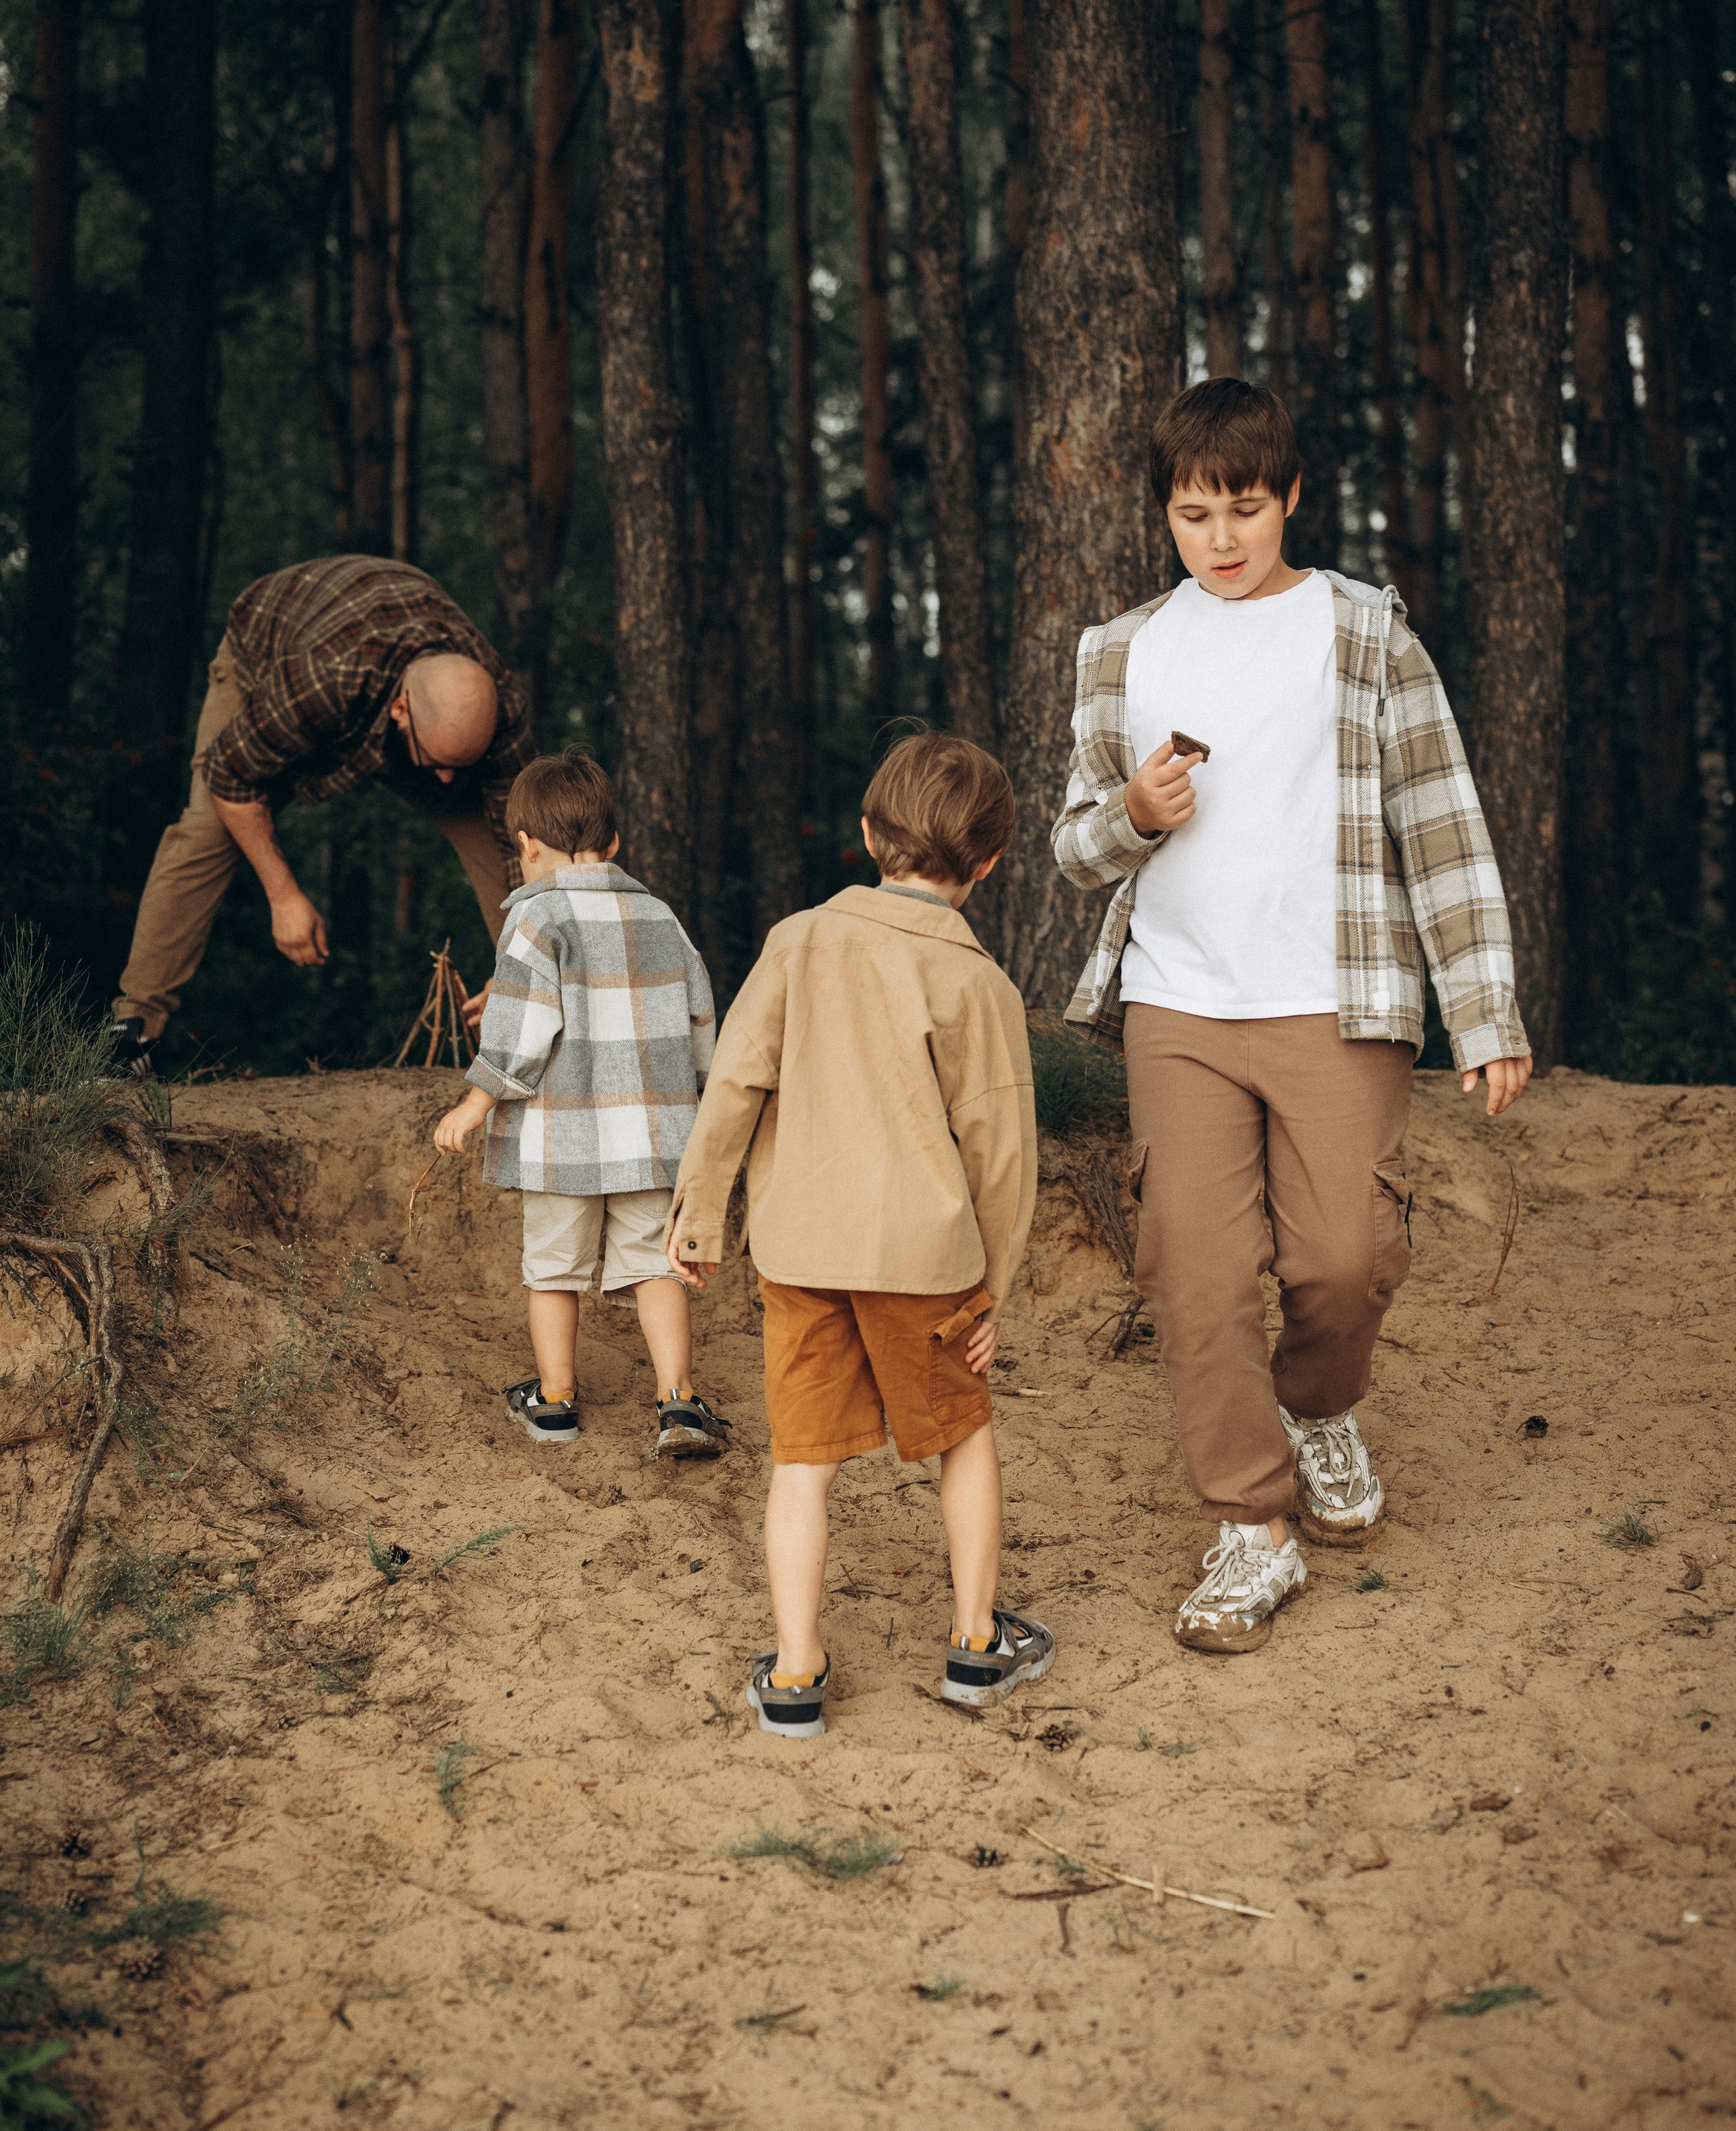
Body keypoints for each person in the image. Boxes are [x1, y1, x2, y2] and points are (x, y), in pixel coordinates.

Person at [1053, 376, 1532, 1656]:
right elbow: (1073, 845)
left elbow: (1441, 821)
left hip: (1338, 998)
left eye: (1247, 509)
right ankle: (1251, 1527)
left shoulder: (1363, 631)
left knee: (1344, 1257)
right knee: (1195, 1271)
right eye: (1194, 513)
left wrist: (1485, 1011)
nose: (1221, 538)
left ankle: (1318, 1407)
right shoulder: (1120, 651)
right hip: (1178, 1003)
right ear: (1164, 511)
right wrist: (1130, 817)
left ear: (1293, 498)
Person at [665, 732, 1049, 1741]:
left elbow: (735, 1079)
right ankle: (976, 1643)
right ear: (990, 862)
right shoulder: (980, 985)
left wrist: (699, 1217)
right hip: (926, 1263)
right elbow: (1002, 1155)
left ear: (869, 834)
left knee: (802, 1460)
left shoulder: (798, 942)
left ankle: (795, 1672)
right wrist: (991, 1290)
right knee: (963, 1435)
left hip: (801, 1250)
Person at [108, 555, 535, 1072]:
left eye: (461, 765)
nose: (446, 782)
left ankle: (541, 1025)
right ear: (401, 709)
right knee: (207, 829)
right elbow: (230, 775)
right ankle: (131, 1034)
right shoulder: (326, 677)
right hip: (266, 658)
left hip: (391, 692)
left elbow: (529, 844)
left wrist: (521, 969)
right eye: (440, 764)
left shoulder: (501, 705)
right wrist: (283, 893)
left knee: (507, 835)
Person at [432, 750, 730, 1462]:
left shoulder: (536, 919)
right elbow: (699, 1017)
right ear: (614, 842)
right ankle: (679, 1400)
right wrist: (698, 1098)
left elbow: (521, 1031)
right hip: (653, 1138)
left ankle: (556, 1401)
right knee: (655, 1264)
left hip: (560, 1142)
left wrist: (476, 1102)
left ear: (527, 846)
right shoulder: (661, 917)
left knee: (553, 1268)